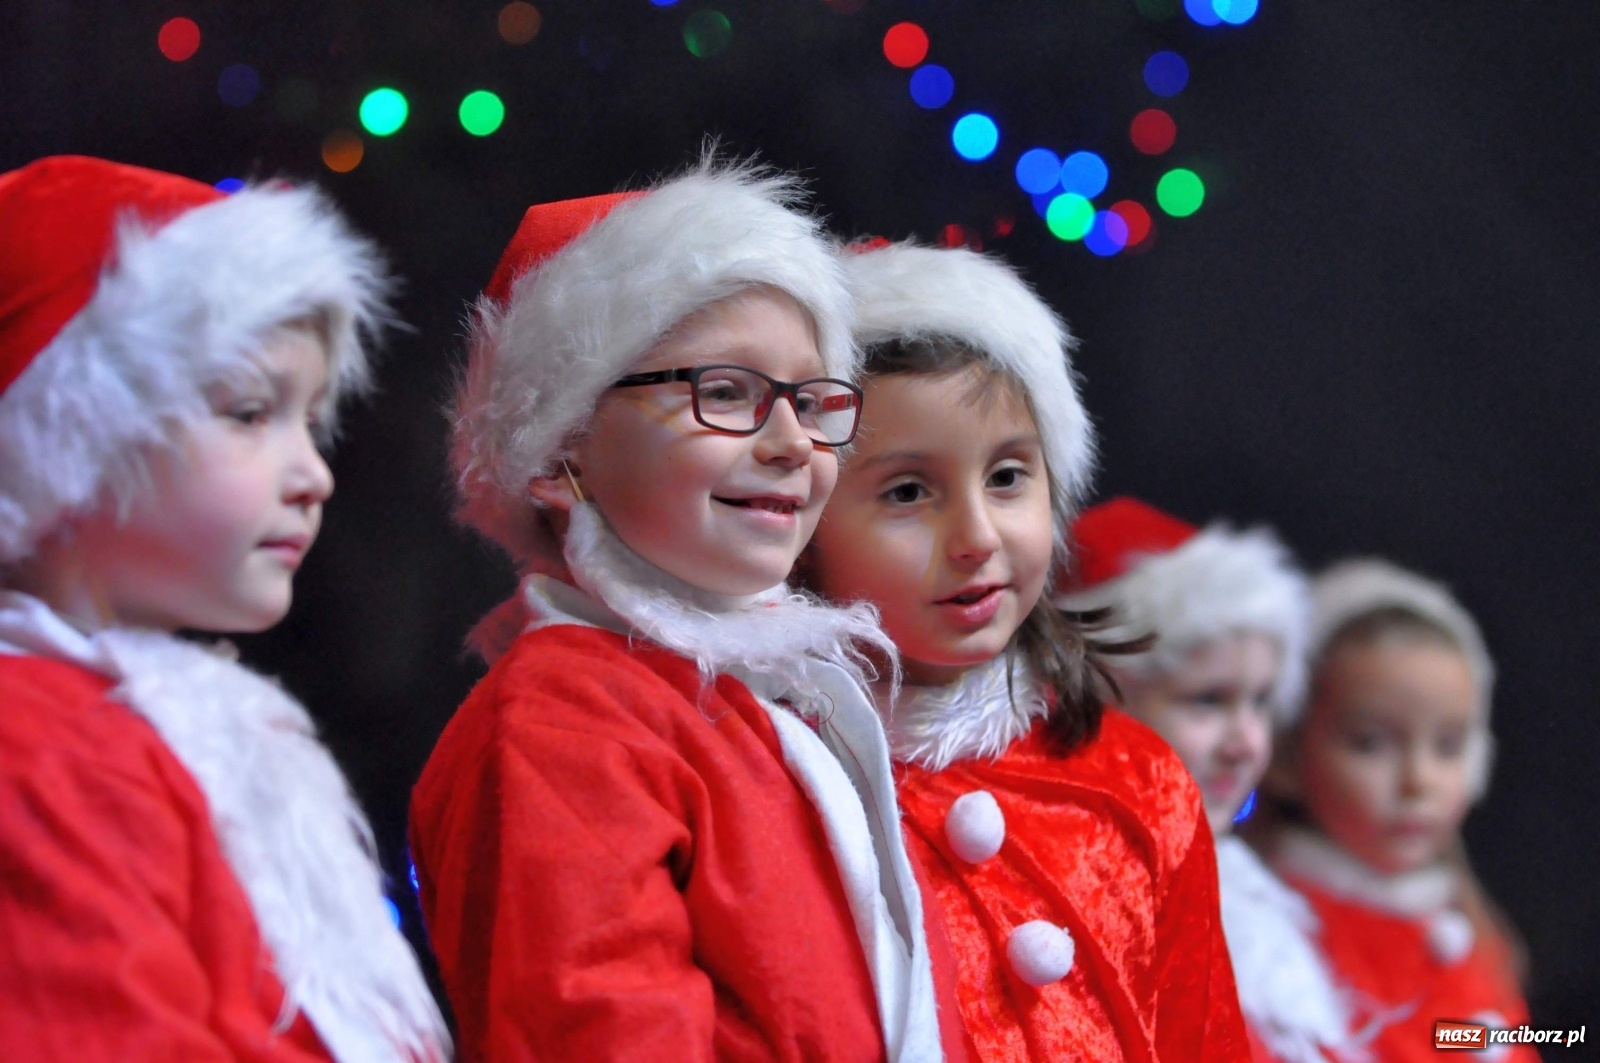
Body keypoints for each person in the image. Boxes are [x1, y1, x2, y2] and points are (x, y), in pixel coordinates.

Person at [409, 160, 957, 1061]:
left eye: (813, 401)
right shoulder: (561, 722)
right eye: (728, 392)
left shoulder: (770, 709)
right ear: (559, 447)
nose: (792, 444)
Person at [0, 156, 448, 1061]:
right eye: (250, 412)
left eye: (310, 420)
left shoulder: (189, 729)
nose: (314, 473)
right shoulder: (35, 749)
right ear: (69, 437)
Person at [803, 239, 1248, 1061]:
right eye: (908, 492)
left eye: (1008, 476)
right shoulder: (778, 785)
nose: (976, 537)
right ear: (804, 526)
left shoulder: (1140, 780)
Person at [1056, 496, 1357, 1063]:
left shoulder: (1246, 890)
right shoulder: (1078, 913)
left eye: (1263, 701)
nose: (1246, 743)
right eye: (1208, 700)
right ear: (1098, 699)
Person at [1253, 559, 1535, 1062]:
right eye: (1371, 743)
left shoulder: (1470, 929)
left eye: (1449, 746)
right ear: (1289, 754)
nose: (1418, 781)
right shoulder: (1269, 940)